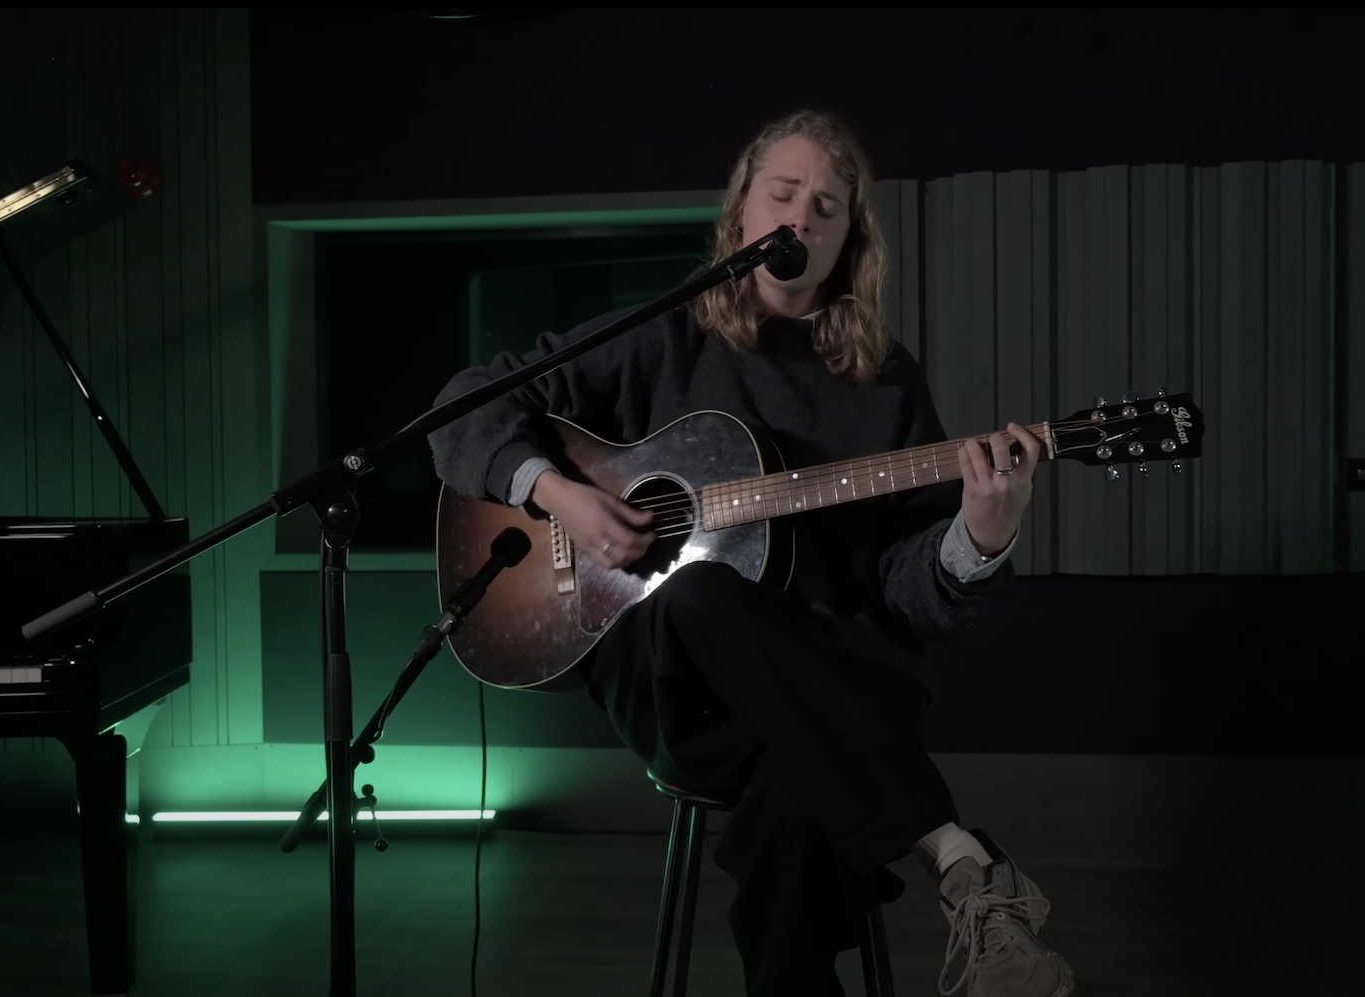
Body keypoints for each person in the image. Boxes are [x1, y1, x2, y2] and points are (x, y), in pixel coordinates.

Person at [428, 108, 1075, 997]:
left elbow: (908, 595)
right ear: (742, 215)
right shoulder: (660, 338)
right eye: (783, 194)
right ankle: (956, 855)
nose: (801, 216)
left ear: (850, 241)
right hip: (681, 697)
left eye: (827, 206)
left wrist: (981, 537)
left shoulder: (884, 382)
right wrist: (561, 493)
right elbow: (464, 404)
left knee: (794, 799)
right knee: (695, 596)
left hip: (830, 678)